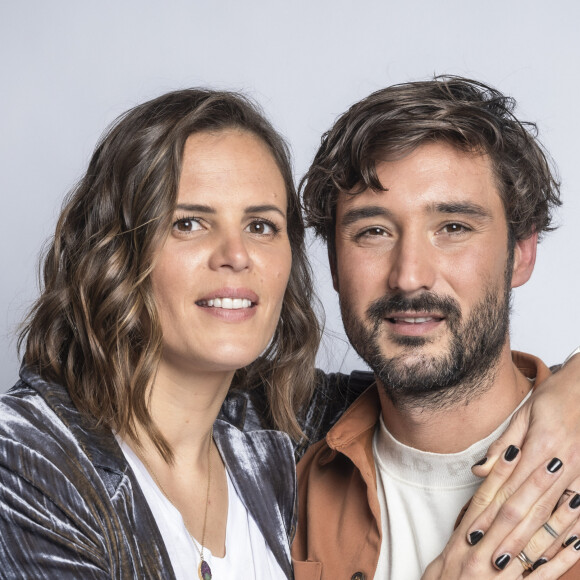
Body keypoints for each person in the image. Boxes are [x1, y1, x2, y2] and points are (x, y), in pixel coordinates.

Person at [0, 89, 326, 579]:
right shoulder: (25, 458)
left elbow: (428, 394)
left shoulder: (269, 429)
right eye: (189, 223)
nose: (236, 255)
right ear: (116, 253)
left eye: (261, 225)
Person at [292, 77, 580, 579]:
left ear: (521, 252)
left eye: (453, 227)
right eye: (373, 231)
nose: (409, 276)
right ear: (335, 266)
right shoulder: (273, 469)